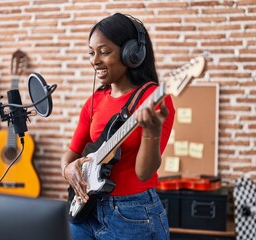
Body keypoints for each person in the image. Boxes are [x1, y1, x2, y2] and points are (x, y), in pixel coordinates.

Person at [61, 12, 175, 240]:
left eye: (104, 52)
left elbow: (144, 173)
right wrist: (68, 170)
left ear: (131, 53)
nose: (95, 61)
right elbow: (70, 154)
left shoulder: (154, 99)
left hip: (132, 216)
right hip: (86, 210)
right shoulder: (95, 101)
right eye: (91, 53)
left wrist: (152, 130)